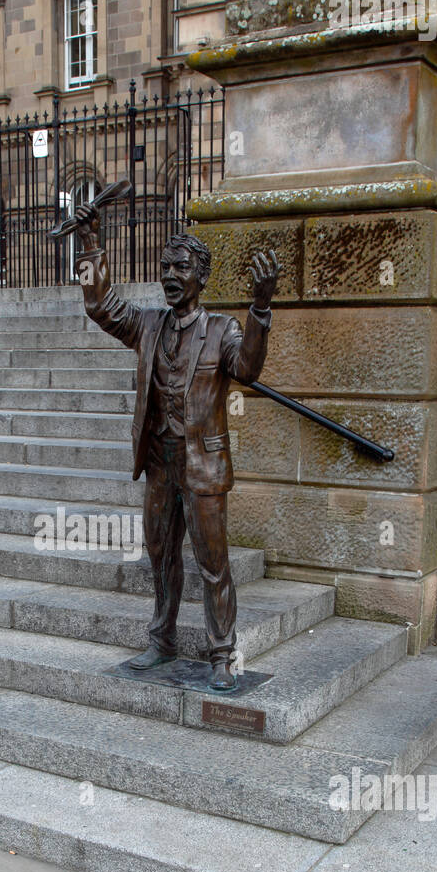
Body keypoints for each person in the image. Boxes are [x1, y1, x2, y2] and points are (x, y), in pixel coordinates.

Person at [74, 205, 279, 690]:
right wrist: (89, 245)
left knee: (213, 563)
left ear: (201, 276)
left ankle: (222, 654)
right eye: (165, 267)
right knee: (161, 555)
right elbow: (100, 306)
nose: (170, 275)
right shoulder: (147, 324)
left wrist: (261, 309)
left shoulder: (222, 330)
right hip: (161, 464)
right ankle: (162, 638)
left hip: (203, 465)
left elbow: (248, 369)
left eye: (181, 267)